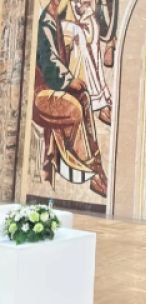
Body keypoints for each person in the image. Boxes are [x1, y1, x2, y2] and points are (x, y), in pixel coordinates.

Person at [34, 0, 108, 197]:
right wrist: (68, 80)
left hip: (53, 87)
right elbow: (47, 62)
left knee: (84, 98)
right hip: (40, 94)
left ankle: (96, 165)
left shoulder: (54, 19)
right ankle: (88, 172)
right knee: (74, 108)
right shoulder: (44, 22)